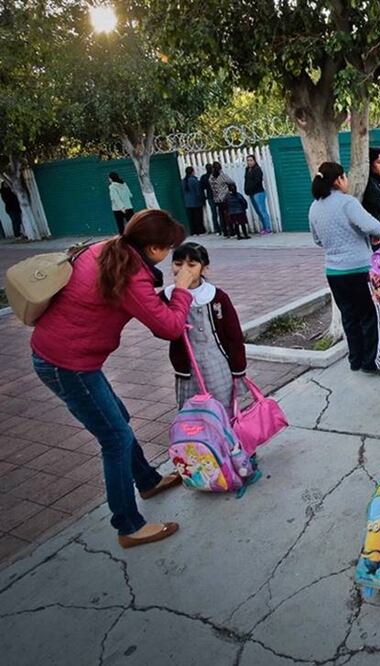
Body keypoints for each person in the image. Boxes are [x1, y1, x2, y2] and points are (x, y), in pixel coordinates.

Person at [30, 210, 198, 548]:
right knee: (115, 438)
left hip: (66, 357)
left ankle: (147, 481)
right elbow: (169, 327)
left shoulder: (106, 250)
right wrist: (182, 288)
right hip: (67, 364)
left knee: (117, 419)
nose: (169, 256)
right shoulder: (132, 273)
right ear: (153, 248)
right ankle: (128, 526)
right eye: (168, 249)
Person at [308, 162, 380, 374]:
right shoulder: (348, 202)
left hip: (334, 272)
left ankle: (356, 359)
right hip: (359, 269)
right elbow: (376, 227)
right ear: (338, 180)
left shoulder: (314, 207)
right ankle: (373, 362)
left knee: (350, 316)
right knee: (372, 315)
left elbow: (317, 240)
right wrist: (374, 236)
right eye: (345, 177)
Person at [162, 243, 245, 410]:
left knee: (222, 406)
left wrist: (238, 366)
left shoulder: (217, 296)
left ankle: (224, 427)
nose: (184, 270)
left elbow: (233, 333)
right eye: (178, 264)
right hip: (188, 366)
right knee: (192, 408)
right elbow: (161, 328)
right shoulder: (166, 297)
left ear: (204, 269)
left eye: (191, 265)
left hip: (217, 361)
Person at [244, 155, 272, 235]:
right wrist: (246, 189)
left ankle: (268, 228)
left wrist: (251, 188)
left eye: (251, 160)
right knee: (258, 211)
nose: (249, 162)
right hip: (251, 193)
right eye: (248, 160)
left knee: (262, 210)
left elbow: (257, 181)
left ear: (254, 161)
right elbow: (246, 180)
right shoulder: (247, 169)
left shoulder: (257, 169)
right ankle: (264, 227)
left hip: (258, 192)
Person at [209, 162, 235, 238]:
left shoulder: (211, 178)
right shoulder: (222, 176)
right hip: (224, 197)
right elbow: (231, 181)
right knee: (228, 215)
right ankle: (231, 231)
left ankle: (225, 232)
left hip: (217, 199)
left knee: (221, 216)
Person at [180, 166, 206, 235]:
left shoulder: (183, 181)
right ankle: (200, 230)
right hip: (196, 202)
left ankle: (193, 231)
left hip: (187, 203)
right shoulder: (194, 180)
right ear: (192, 172)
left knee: (191, 218)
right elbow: (198, 191)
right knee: (198, 217)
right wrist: (201, 200)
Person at [200, 164, 222, 235]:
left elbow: (202, 188)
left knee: (214, 213)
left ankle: (217, 229)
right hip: (218, 195)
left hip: (210, 196)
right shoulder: (215, 176)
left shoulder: (204, 177)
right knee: (221, 212)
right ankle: (223, 226)